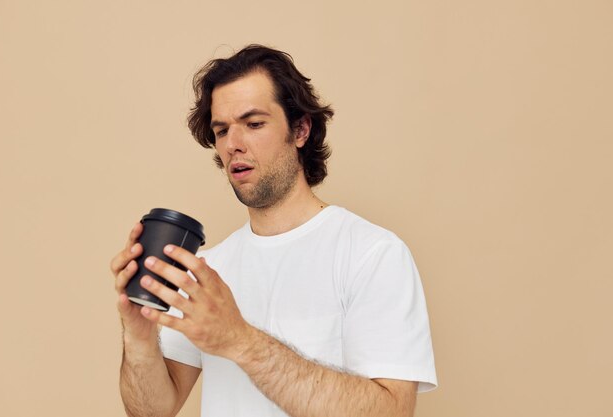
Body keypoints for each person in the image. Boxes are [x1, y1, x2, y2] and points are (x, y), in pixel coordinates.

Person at [110, 44, 437, 417]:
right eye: (222, 130)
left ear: (299, 130)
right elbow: (152, 411)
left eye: (253, 124)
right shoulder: (207, 271)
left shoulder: (372, 254)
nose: (233, 145)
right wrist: (137, 333)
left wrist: (240, 340)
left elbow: (391, 412)